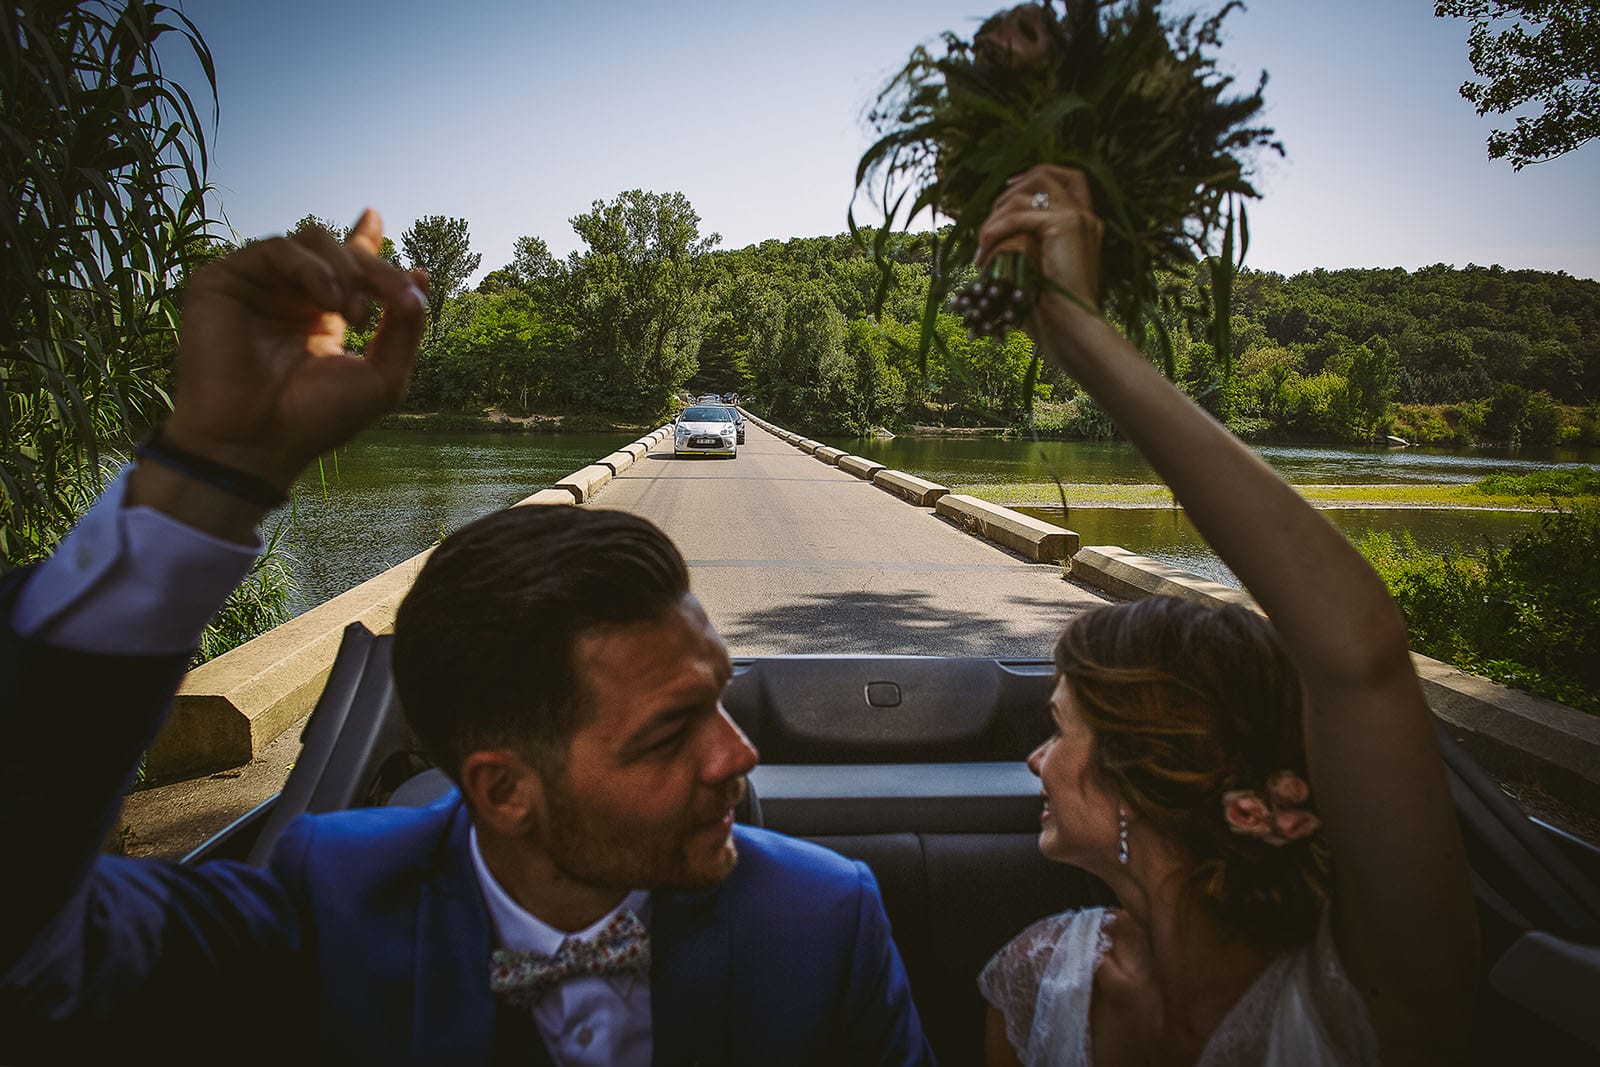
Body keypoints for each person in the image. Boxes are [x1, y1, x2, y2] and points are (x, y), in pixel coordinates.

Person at [0, 213, 932, 1065]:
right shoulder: (330, 898)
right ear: (503, 790)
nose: (742, 755)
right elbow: (27, 948)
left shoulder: (824, 918)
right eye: (666, 731)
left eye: (717, 699)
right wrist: (209, 470)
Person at [971, 167, 1478, 1067]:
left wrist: (1082, 335)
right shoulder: (1033, 978)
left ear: (1149, 772)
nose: (1037, 759)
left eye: (1061, 730)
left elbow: (1358, 653)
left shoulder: (1360, 997)